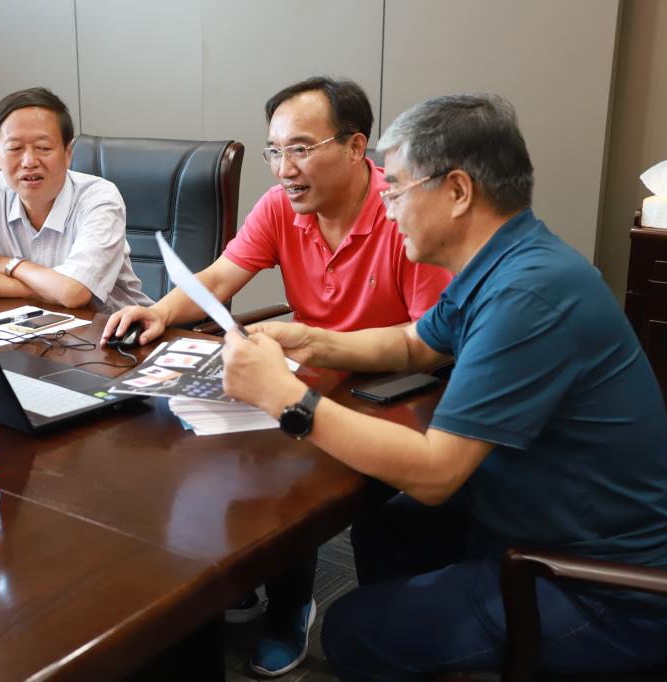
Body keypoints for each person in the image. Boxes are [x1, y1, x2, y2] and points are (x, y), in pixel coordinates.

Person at [221, 93, 667, 681]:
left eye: (396, 190)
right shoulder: (507, 259)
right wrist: (311, 342)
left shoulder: (526, 297)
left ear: (456, 191)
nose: (387, 209)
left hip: (609, 593)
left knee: (350, 631)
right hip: (541, 525)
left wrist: (287, 398)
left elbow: (435, 473)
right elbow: (414, 344)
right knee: (386, 528)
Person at [103, 77, 451, 677]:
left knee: (290, 455)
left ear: (355, 146)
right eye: (276, 151)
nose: (285, 169)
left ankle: (291, 604)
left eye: (301, 149)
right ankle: (240, 575)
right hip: (309, 366)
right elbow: (220, 277)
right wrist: (159, 311)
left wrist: (315, 350)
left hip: (392, 385)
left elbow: (428, 342)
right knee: (205, 432)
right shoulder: (280, 206)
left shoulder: (401, 212)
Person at [0, 87, 151, 313]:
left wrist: (12, 265)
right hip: (32, 327)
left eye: (43, 148)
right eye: (15, 148)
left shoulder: (99, 198)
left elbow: (73, 293)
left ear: (68, 153)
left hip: (115, 329)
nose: (29, 161)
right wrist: (46, 291)